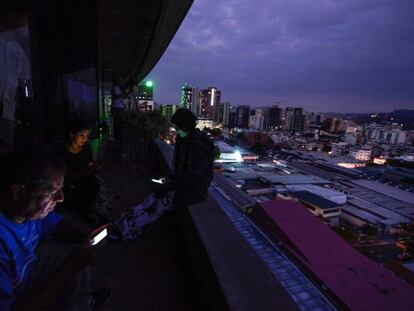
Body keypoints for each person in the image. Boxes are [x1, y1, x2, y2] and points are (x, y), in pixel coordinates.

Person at [0, 147, 109, 310]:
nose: (61, 198)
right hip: (14, 296)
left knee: (76, 250)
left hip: (25, 270)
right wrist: (72, 266)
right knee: (74, 260)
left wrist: (86, 236)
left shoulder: (26, 211)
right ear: (19, 193)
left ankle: (81, 304)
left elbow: (57, 224)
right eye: (52, 192)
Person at [155, 109, 215, 207]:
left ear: (185, 125)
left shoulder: (197, 143)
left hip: (195, 192)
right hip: (189, 187)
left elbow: (194, 175)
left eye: (177, 128)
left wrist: (171, 185)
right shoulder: (187, 138)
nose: (176, 131)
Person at [54, 119, 100, 222]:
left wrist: (94, 166)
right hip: (66, 182)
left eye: (87, 136)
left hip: (83, 179)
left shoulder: (86, 148)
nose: (84, 139)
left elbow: (90, 161)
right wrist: (83, 172)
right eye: (81, 135)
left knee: (94, 184)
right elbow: (62, 174)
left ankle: (87, 211)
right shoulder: (61, 150)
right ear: (72, 134)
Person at [111, 78, 125, 143]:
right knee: (117, 122)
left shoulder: (118, 88)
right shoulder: (115, 87)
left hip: (118, 108)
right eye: (120, 81)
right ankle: (117, 136)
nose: (121, 83)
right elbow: (115, 96)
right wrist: (122, 95)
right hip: (117, 108)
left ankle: (118, 136)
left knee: (119, 122)